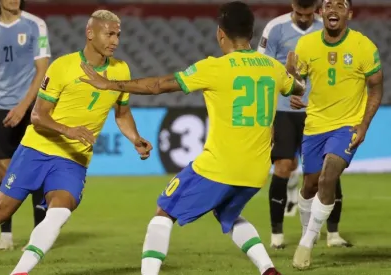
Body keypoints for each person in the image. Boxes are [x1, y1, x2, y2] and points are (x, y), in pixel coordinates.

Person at [80, 2, 305, 275]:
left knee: (163, 213)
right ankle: (269, 270)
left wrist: (110, 84)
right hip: (256, 172)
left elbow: (158, 85)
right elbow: (297, 87)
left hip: (219, 167)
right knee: (228, 214)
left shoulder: (215, 68)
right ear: (252, 32)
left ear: (220, 34)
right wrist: (293, 71)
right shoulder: (272, 68)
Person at [0, 10, 153, 275]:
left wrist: (135, 138)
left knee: (60, 211)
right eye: (109, 33)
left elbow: (121, 113)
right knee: (0, 214)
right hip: (37, 149)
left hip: (73, 159)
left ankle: (20, 272)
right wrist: (69, 130)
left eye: (118, 35)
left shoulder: (120, 70)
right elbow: (38, 116)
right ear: (90, 33)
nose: (115, 40)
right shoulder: (63, 67)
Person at [290, 0, 383, 269]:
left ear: (349, 14)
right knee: (308, 185)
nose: (333, 9)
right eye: (328, 4)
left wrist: (364, 125)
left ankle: (306, 243)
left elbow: (376, 88)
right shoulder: (306, 46)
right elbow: (298, 85)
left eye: (340, 5)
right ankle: (310, 228)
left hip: (347, 125)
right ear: (321, 13)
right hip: (315, 125)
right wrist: (292, 83)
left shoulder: (363, 46)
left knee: (328, 176)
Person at [258, 0, 349, 249]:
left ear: (316, 10)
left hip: (319, 112)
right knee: (283, 167)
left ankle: (333, 233)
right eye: (299, 13)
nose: (304, 18)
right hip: (283, 110)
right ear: (292, 7)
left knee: (329, 168)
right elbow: (262, 68)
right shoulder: (275, 28)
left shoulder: (327, 27)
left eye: (308, 14)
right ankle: (277, 235)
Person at [0, 0, 50, 251]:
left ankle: (38, 237)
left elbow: (42, 69)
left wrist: (22, 106)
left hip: (32, 108)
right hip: (0, 107)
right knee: (3, 170)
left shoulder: (35, 25)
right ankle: (5, 235)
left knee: (36, 169)